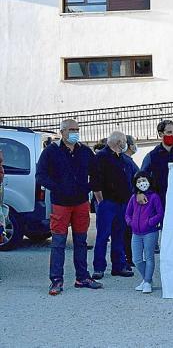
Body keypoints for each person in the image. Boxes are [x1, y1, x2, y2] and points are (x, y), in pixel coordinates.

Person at [36, 119, 103, 295]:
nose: (74, 132)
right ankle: (56, 280)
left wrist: (89, 188)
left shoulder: (85, 151)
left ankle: (82, 277)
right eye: (71, 129)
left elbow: (96, 173)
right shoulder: (50, 152)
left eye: (77, 129)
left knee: (81, 242)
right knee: (58, 243)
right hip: (60, 204)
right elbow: (40, 175)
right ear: (62, 132)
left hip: (81, 203)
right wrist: (58, 187)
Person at [90, 131, 137, 280]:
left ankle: (118, 265)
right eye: (124, 141)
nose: (126, 144)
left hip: (122, 203)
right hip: (108, 203)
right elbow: (95, 181)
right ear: (118, 142)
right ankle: (99, 268)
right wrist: (101, 202)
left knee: (119, 235)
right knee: (103, 236)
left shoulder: (122, 158)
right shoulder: (101, 157)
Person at [125, 171, 164, 294]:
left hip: (150, 232)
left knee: (149, 257)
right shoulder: (133, 197)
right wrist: (130, 222)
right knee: (136, 259)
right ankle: (147, 279)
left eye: (144, 180)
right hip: (136, 233)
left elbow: (160, 214)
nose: (142, 183)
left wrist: (149, 222)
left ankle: (147, 282)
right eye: (139, 181)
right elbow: (127, 213)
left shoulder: (154, 197)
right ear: (135, 183)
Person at [123, 135, 140, 268]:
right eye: (134, 143)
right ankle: (128, 258)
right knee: (127, 232)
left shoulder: (128, 160)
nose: (135, 146)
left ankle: (129, 258)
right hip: (129, 201)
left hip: (129, 200)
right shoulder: (127, 161)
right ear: (129, 145)